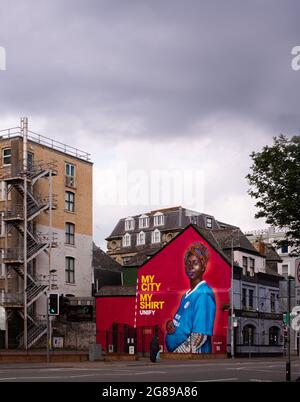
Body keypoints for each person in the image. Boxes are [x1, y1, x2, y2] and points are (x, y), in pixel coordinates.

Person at [165, 242, 216, 353]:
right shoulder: (186, 295)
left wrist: (177, 354)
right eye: (188, 263)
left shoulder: (203, 294)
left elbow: (199, 336)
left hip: (193, 359)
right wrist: (170, 324)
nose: (191, 266)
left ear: (203, 267)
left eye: (195, 263)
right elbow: (182, 323)